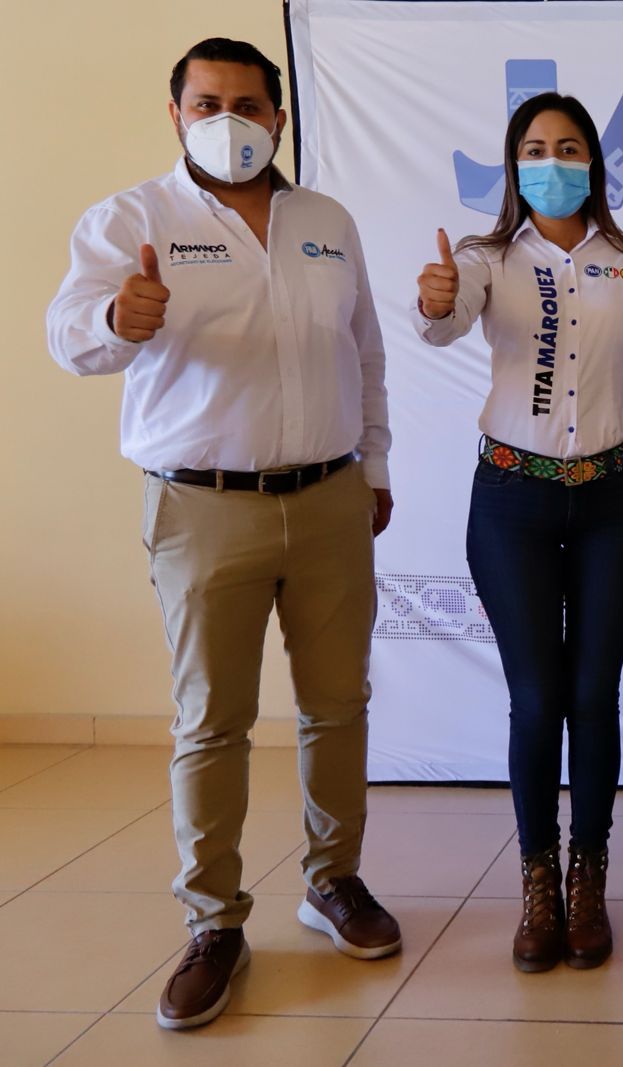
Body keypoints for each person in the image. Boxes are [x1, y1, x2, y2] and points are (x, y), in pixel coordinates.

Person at [45, 38, 400, 1030]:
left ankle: (334, 879)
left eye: (249, 104)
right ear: (176, 115)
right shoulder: (131, 220)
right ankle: (213, 921)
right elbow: (66, 336)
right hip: (201, 506)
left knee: (338, 703)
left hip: (330, 497)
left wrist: (373, 469)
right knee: (212, 721)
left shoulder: (325, 221)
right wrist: (117, 318)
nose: (230, 121)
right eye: (208, 103)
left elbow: (366, 353)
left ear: (279, 119)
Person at [414, 92, 623, 973]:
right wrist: (435, 302)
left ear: (594, 164)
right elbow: (446, 319)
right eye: (534, 148)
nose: (552, 162)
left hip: (611, 500)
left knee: (593, 695)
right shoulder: (486, 260)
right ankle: (537, 880)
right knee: (536, 698)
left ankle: (588, 874)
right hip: (512, 502)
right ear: (513, 163)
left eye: (568, 148)